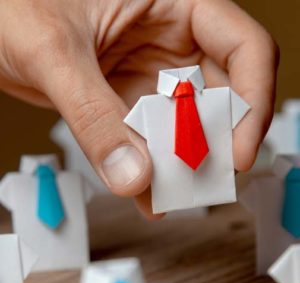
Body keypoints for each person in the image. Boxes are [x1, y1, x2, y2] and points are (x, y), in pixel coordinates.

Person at [0, 0, 279, 219]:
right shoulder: (149, 106)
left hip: (204, 178)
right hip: (170, 178)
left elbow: (244, 111)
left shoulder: (218, 100)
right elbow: (125, 126)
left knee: (243, 144)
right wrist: (113, 142)